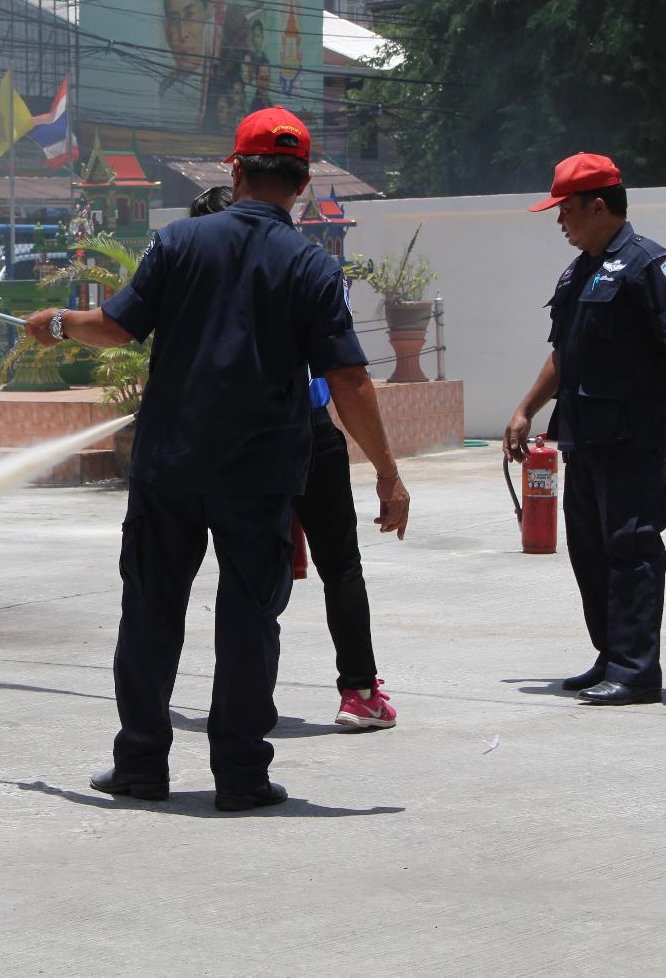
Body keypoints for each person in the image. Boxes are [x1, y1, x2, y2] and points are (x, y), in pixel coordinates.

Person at [24, 108, 410, 812]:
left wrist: (57, 324)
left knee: (149, 611)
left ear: (235, 170)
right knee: (248, 618)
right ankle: (239, 773)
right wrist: (387, 470)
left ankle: (141, 762)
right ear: (301, 182)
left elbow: (115, 326)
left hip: (169, 466)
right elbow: (350, 380)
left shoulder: (179, 242)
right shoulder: (313, 267)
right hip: (258, 475)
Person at [189, 185, 398, 730]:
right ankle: (359, 691)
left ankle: (243, 697)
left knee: (247, 572)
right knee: (339, 565)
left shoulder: (203, 288)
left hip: (239, 442)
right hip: (307, 431)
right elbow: (347, 376)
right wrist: (388, 472)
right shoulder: (303, 272)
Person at [504, 153, 666, 706]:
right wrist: (526, 408)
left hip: (634, 436)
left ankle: (637, 671)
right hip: (584, 435)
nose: (559, 220)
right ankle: (611, 654)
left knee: (631, 546)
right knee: (589, 550)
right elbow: (562, 354)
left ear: (597, 206)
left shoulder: (650, 264)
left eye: (565, 209)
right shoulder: (578, 270)